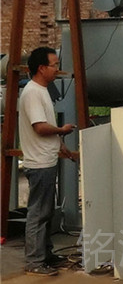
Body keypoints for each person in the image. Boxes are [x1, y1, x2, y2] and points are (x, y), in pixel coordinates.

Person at [18, 47, 76, 276]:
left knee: (46, 211)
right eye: (54, 65)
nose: (57, 69)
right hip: (39, 162)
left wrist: (61, 145)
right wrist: (62, 129)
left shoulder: (42, 90)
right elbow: (40, 127)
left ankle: (46, 254)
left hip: (47, 158)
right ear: (41, 68)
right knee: (38, 212)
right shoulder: (32, 92)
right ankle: (34, 260)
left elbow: (46, 128)